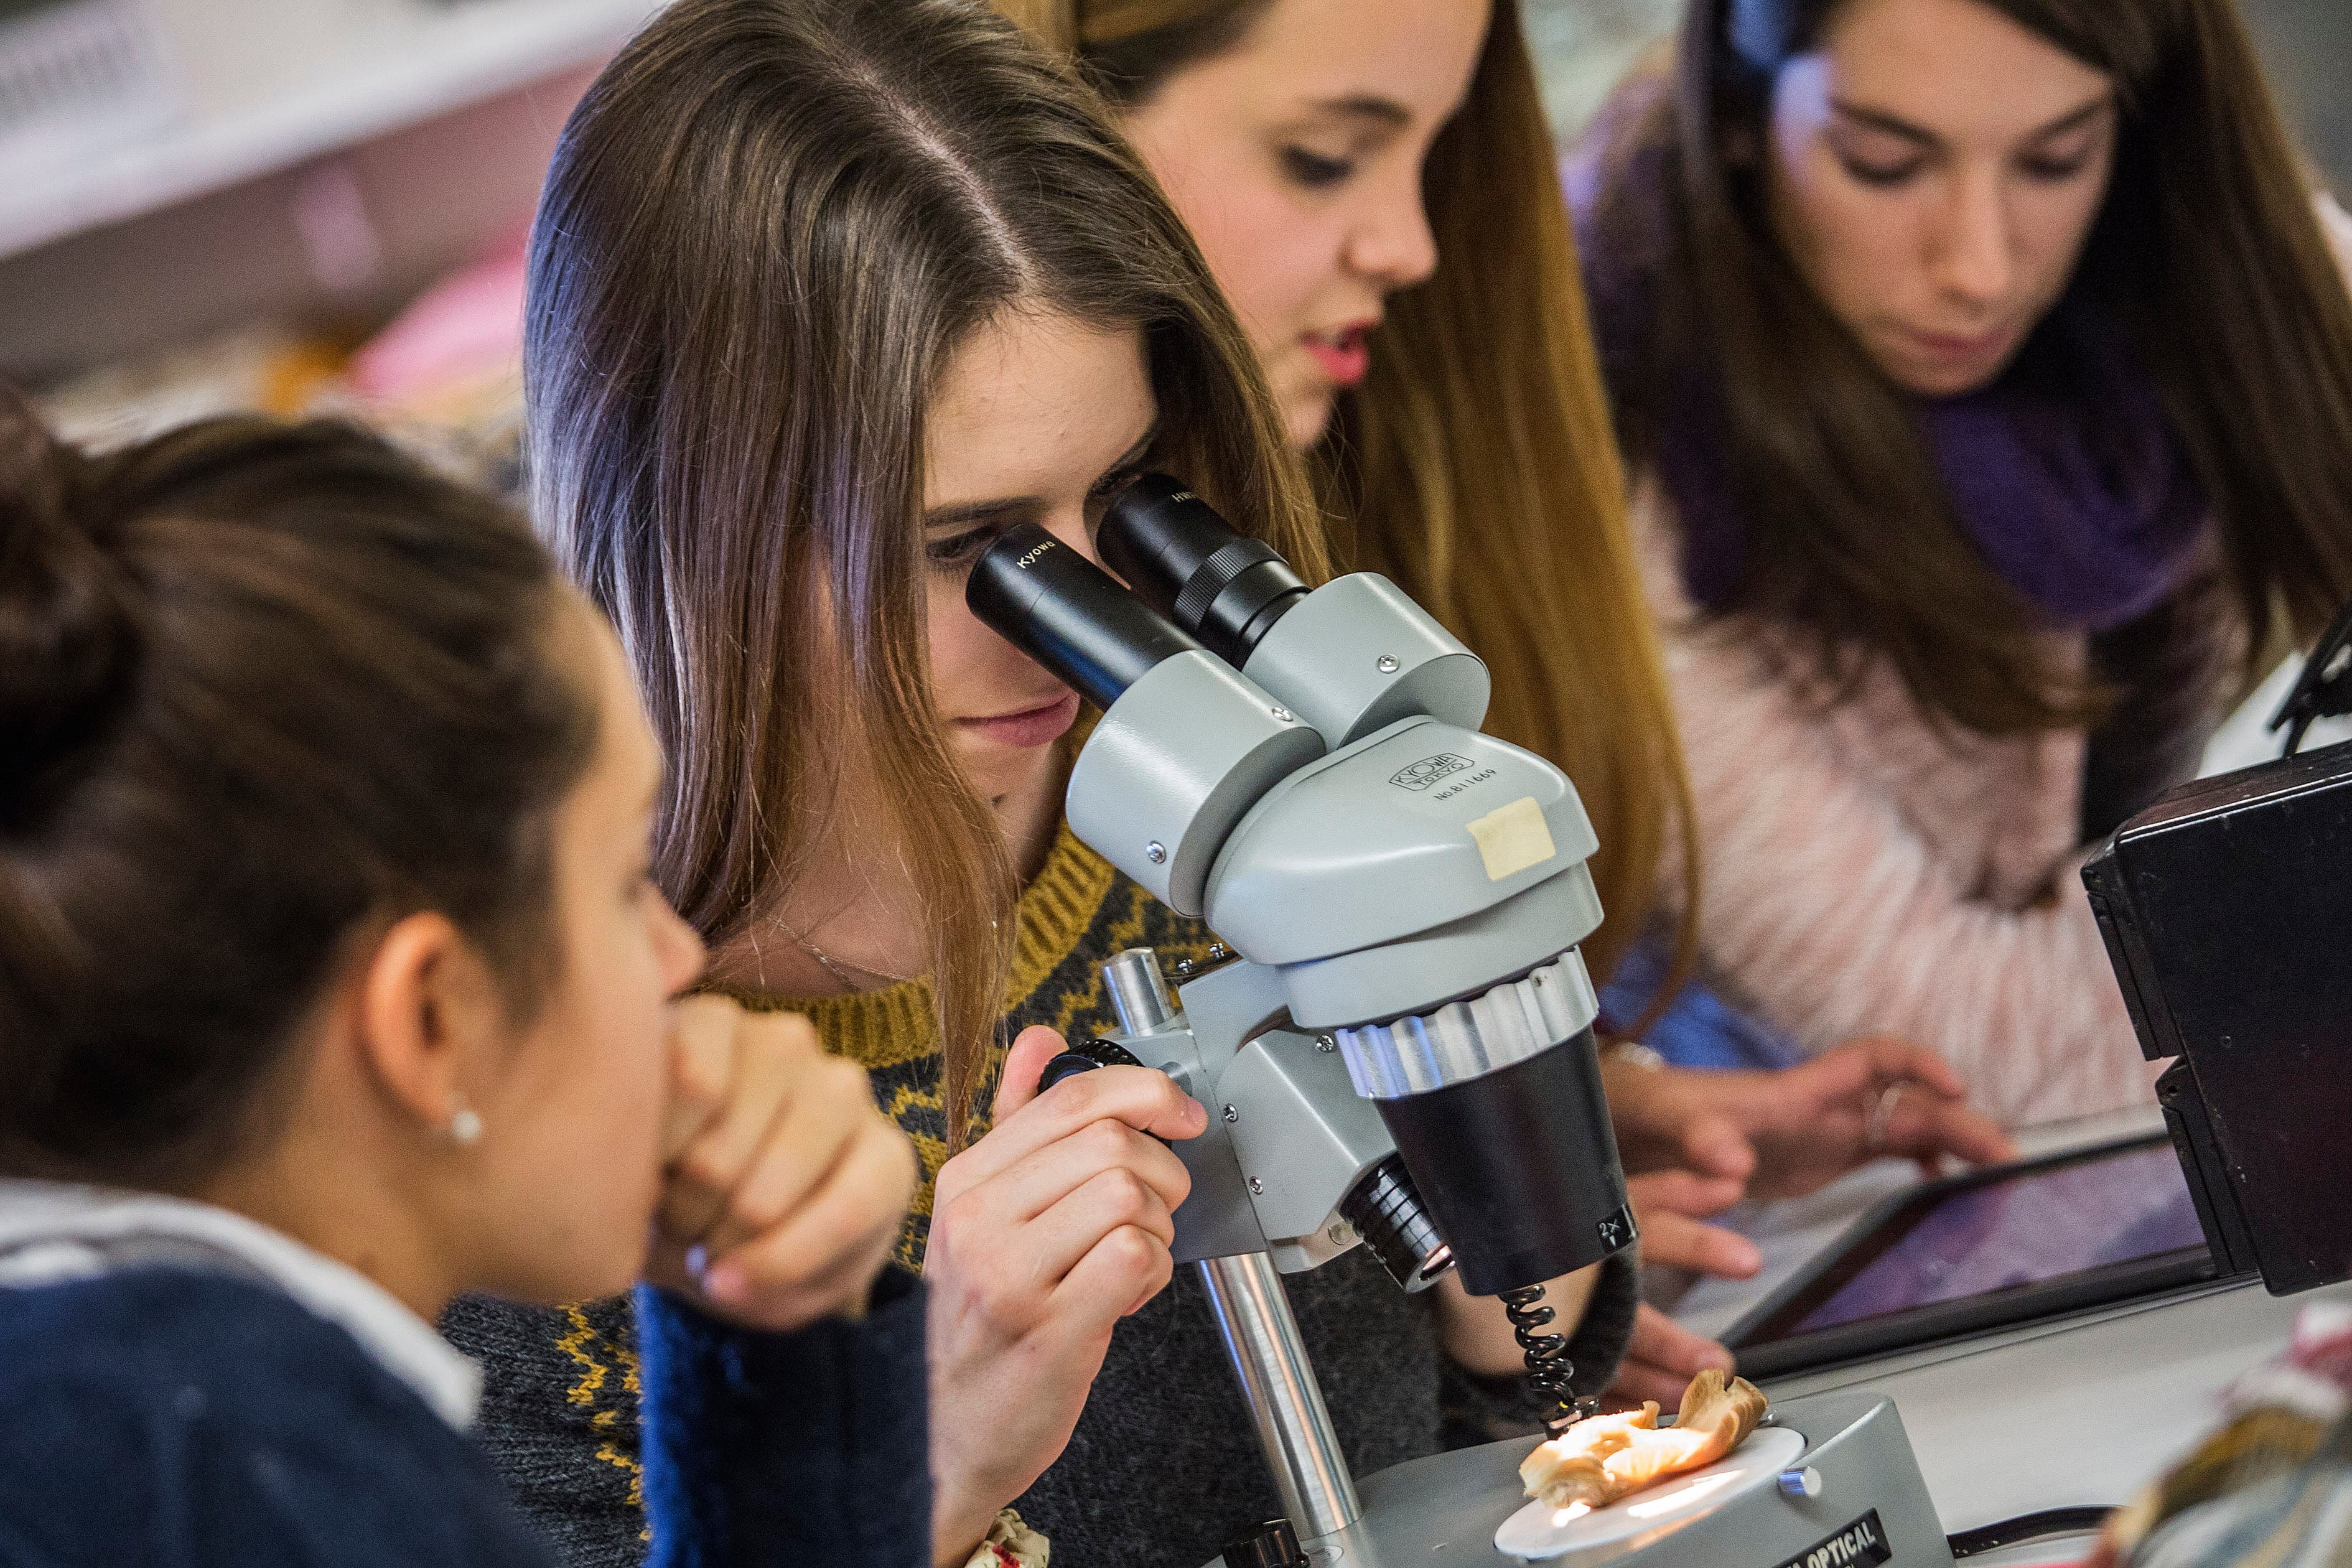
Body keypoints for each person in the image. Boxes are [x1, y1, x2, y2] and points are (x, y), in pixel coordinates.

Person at [447, 3, 1651, 1566]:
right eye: (972, 549)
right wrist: (928, 1455)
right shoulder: (511, 1117)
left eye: (1127, 502)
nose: (1087, 635)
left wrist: (1513, 1141)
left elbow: (1514, 1404)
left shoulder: (1242, 827)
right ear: (696, 519)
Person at [994, 0, 2013, 1409]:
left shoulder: (1346, 593)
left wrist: (1538, 1097)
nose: (1411, 245)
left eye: (1431, 154)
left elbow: (1476, 1352)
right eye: (1322, 154)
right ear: (1036, 137)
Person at [0, 395, 925, 1566]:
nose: (679, 959)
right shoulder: (285, 1495)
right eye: (627, 881)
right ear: (432, 1020)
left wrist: (779, 1346)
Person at [1569, 0, 2352, 1127]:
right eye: (1882, 164)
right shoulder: (1614, 471)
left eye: (2055, 158)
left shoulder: (2209, 261)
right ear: (1738, 115)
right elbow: (1979, 1052)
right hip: (1854, 1226)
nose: (1978, 267)